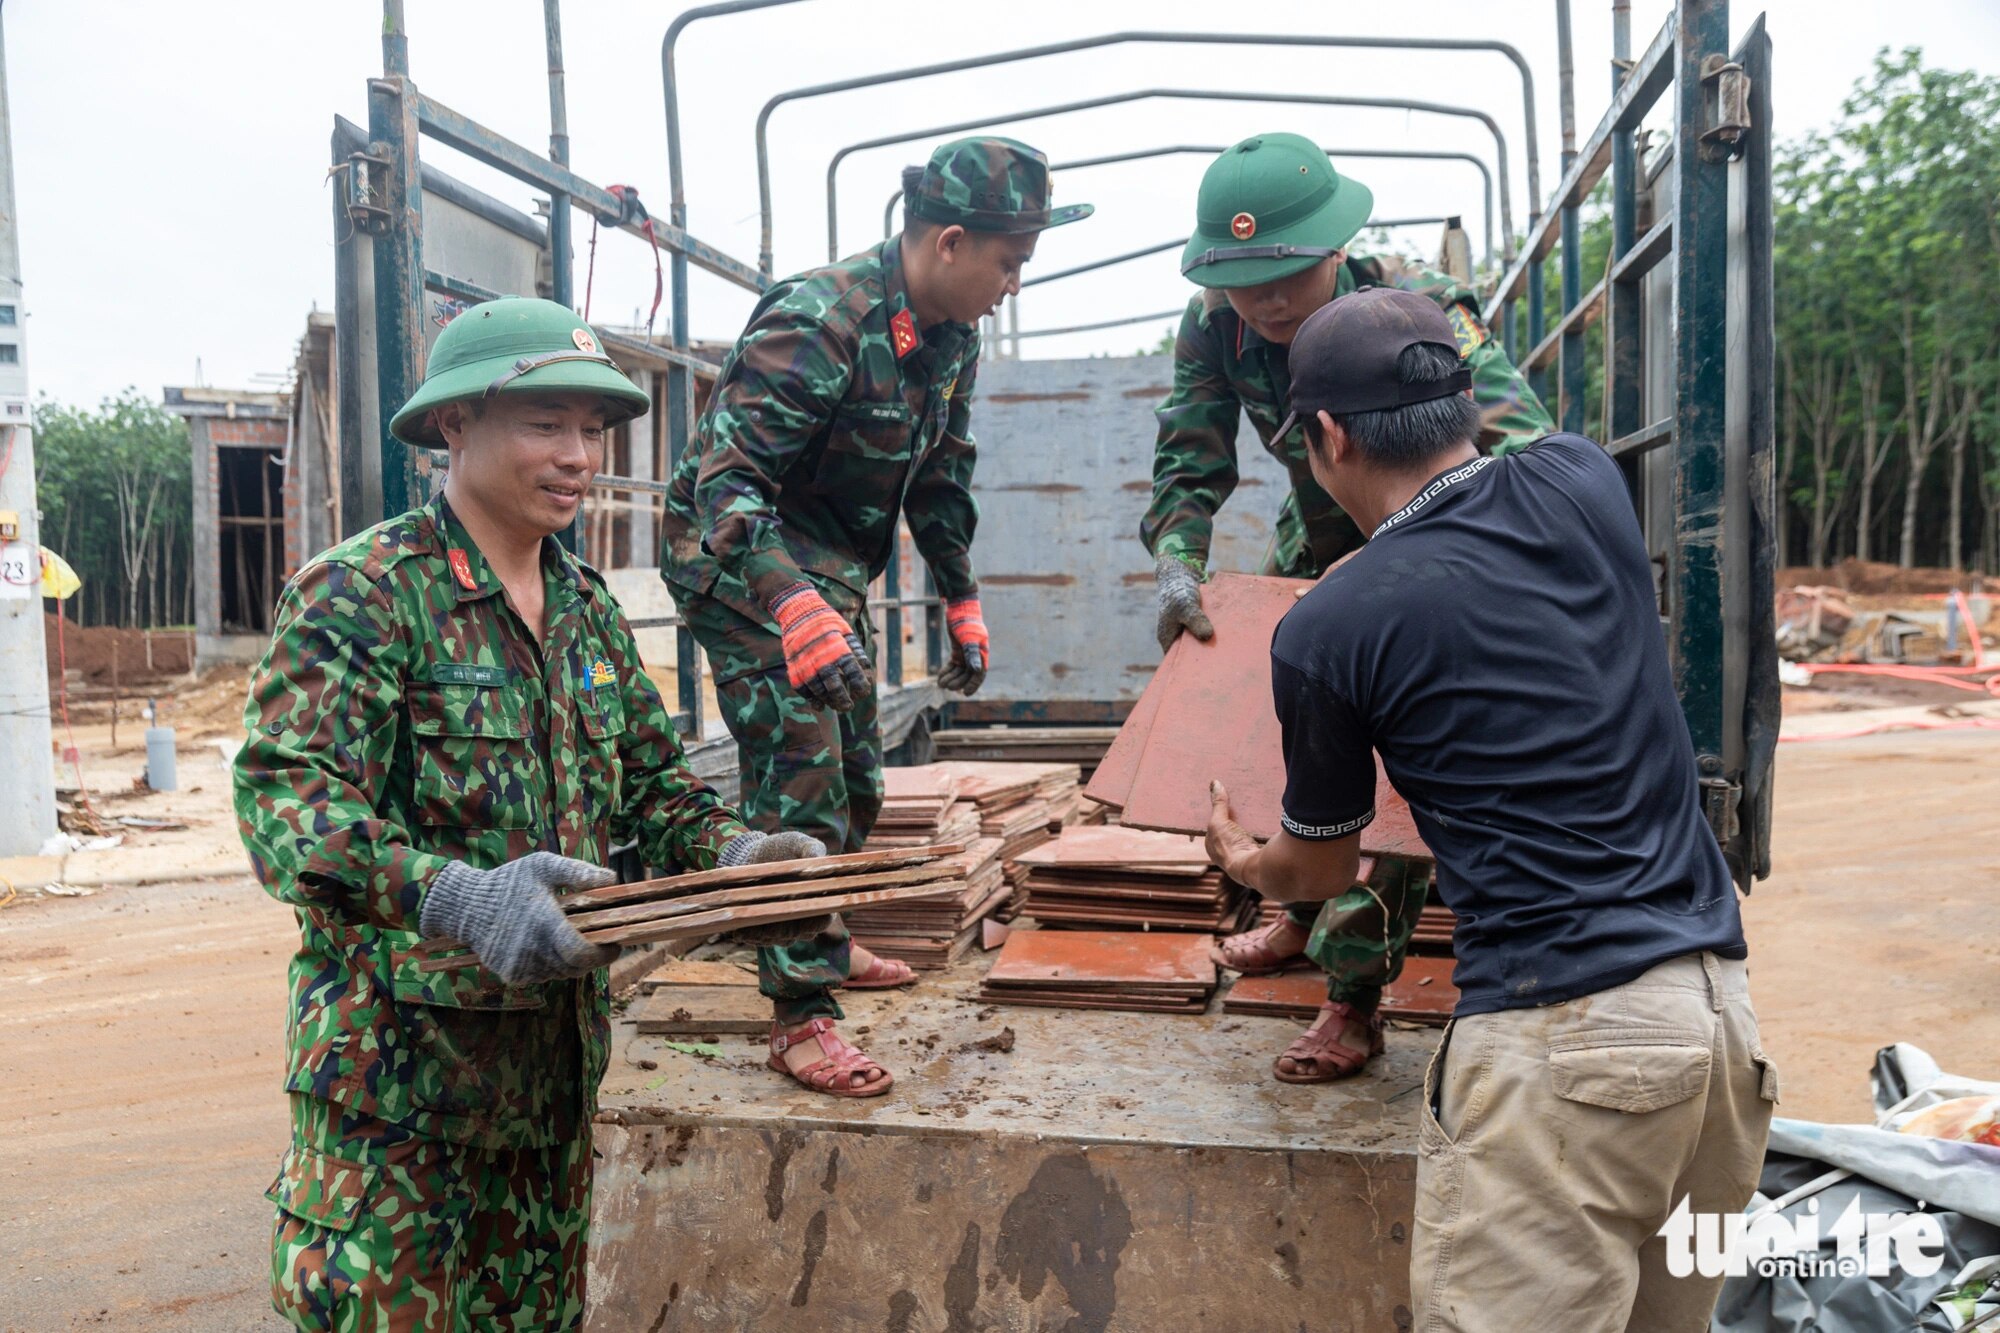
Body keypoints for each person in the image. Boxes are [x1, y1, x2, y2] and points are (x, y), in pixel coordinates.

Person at [236, 297, 824, 1330]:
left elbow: (651, 786)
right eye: (544, 423)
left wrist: (734, 859)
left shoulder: (588, 606)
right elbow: (288, 806)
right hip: (400, 1107)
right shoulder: (365, 594)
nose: (578, 456)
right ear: (453, 426)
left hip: (549, 1094)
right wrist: (457, 897)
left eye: (590, 430)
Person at [1205, 287, 1775, 1331]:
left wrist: (1247, 862)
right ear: (1465, 402)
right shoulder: (1583, 481)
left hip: (1563, 1050)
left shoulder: (1329, 628)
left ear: (1326, 437)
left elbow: (1320, 871)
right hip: (1717, 1028)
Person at [660, 136, 1090, 1098]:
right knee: (803, 765)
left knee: (859, 774)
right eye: (1008, 262)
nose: (1014, 283)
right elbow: (729, 486)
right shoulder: (819, 322)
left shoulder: (951, 337)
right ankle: (800, 1015)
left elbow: (942, 473)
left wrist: (960, 590)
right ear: (948, 242)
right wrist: (790, 603)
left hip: (830, 570)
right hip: (737, 559)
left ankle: (826, 935)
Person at [1148, 131, 1556, 1080]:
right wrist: (1179, 558)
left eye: (1288, 272)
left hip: (1435, 541)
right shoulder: (1214, 326)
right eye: (1245, 278)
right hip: (1324, 523)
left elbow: (1520, 449)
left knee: (1404, 761)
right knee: (1288, 703)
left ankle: (1355, 997)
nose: (1269, 299)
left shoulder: (1418, 309)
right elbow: (1190, 451)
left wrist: (1409, 575)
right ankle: (1299, 908)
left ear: (1338, 246)